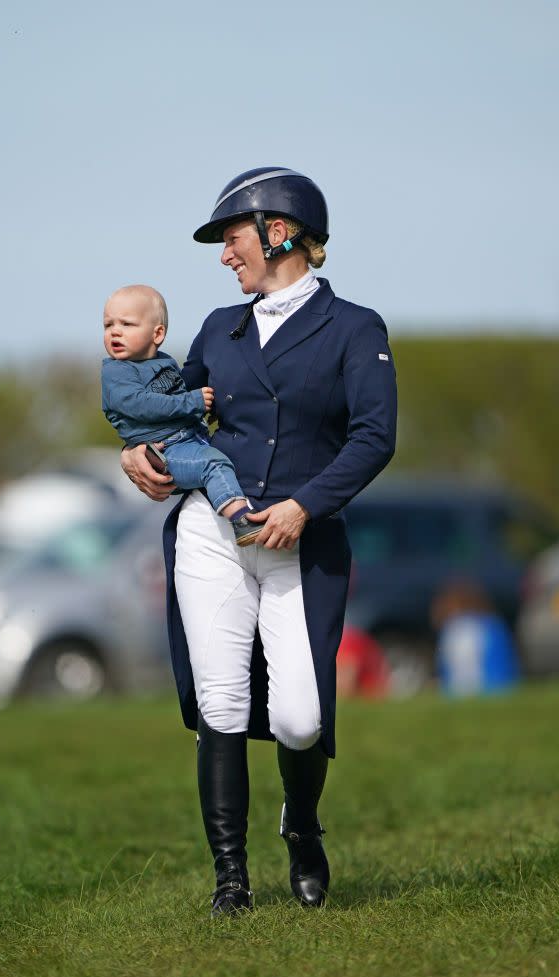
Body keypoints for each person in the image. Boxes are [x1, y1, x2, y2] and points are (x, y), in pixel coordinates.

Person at [121, 167, 397, 915]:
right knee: (220, 701)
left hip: (297, 542)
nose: (222, 256)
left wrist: (305, 507)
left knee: (300, 718)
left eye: (230, 238)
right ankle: (230, 881)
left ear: (278, 231)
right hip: (212, 536)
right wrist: (134, 452)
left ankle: (301, 825)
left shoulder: (355, 328)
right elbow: (173, 416)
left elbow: (374, 437)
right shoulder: (219, 328)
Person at [102, 284, 261, 546]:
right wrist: (193, 402)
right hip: (166, 453)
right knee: (213, 464)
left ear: (158, 334)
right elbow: (142, 405)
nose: (115, 332)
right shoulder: (116, 373)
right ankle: (242, 520)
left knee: (228, 458)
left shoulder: (162, 362)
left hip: (190, 439)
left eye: (127, 324)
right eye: (108, 325)